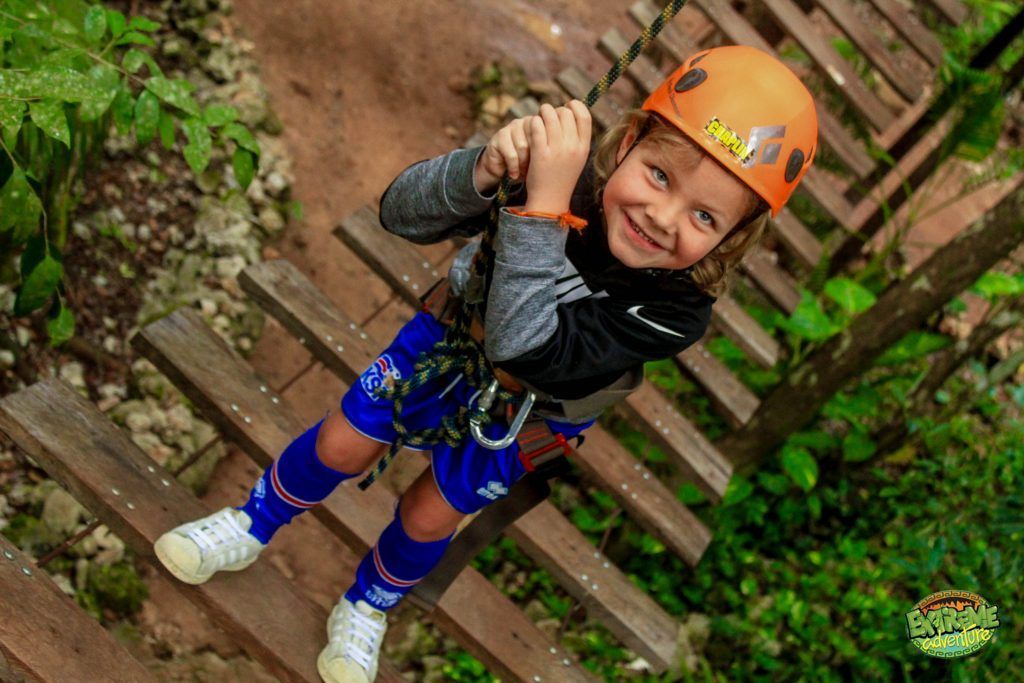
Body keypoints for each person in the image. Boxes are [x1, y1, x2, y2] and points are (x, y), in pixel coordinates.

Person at [152, 45, 818, 683]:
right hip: (450, 342)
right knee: (343, 439)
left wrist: (541, 212)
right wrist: (483, 171)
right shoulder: (569, 172)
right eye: (658, 175)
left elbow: (527, 348)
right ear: (627, 143)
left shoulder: (677, 309)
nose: (662, 216)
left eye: (705, 215)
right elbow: (399, 212)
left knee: (431, 514)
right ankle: (253, 521)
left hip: (533, 407)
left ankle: (369, 602)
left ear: (732, 238)